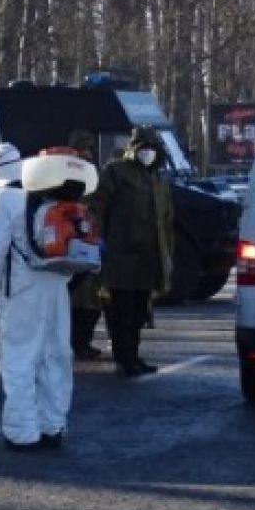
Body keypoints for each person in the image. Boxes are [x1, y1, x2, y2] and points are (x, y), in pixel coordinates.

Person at [0, 142, 71, 451]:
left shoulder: (1, 199)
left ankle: (21, 432)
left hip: (22, 288)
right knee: (54, 356)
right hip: (56, 283)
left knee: (20, 357)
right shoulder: (44, 195)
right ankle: (52, 426)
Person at [93, 125, 175, 377]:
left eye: (152, 148)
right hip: (120, 256)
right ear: (134, 148)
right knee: (121, 311)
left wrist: (167, 256)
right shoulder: (116, 172)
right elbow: (98, 207)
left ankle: (133, 356)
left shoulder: (158, 180)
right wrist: (97, 241)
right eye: (143, 148)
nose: (148, 153)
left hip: (149, 258)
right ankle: (124, 358)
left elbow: (166, 220)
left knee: (140, 312)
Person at [65, 130, 108, 361]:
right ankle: (75, 343)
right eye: (83, 149)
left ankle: (83, 342)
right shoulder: (65, 175)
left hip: (94, 238)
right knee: (77, 299)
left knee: (93, 299)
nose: (87, 153)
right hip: (74, 241)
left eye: (90, 149)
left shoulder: (95, 175)